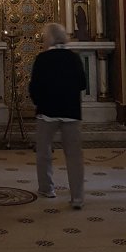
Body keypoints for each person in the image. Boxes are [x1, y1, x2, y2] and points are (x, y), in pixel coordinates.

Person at [29, 22, 87, 208]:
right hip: (71, 111)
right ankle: (77, 197)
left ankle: (47, 188)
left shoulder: (42, 58)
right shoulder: (74, 58)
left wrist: (38, 102)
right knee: (74, 156)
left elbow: (34, 86)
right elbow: (82, 84)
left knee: (44, 152)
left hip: (47, 111)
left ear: (48, 38)